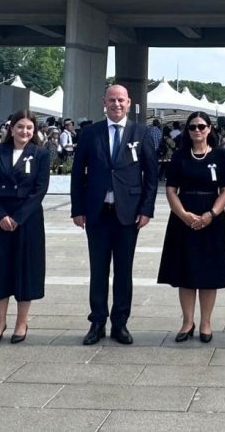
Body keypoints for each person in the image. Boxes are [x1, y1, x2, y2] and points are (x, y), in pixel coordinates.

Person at [71, 85, 159, 346]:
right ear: (104, 102)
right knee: (98, 270)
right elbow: (78, 174)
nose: (116, 104)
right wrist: (78, 208)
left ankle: (120, 323)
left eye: (121, 100)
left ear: (129, 103)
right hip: (97, 213)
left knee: (124, 271)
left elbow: (151, 176)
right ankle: (97, 321)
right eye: (112, 100)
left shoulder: (140, 133)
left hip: (128, 214)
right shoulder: (90, 133)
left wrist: (146, 210)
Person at [158, 111, 225, 343]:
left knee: (209, 273)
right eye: (192, 127)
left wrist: (212, 214)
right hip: (184, 218)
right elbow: (170, 189)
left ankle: (206, 322)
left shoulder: (220, 156)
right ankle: (187, 321)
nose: (197, 130)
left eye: (201, 126)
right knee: (186, 271)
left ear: (210, 129)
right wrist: (182, 214)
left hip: (212, 219)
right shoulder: (180, 157)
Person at [0, 110, 50, 345]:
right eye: (20, 127)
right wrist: (0, 215)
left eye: (29, 128)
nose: (24, 132)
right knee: (0, 269)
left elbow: (40, 189)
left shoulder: (40, 154)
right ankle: (0, 322)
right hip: (0, 218)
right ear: (11, 129)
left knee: (26, 270)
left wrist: (18, 217)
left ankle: (22, 321)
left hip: (28, 219)